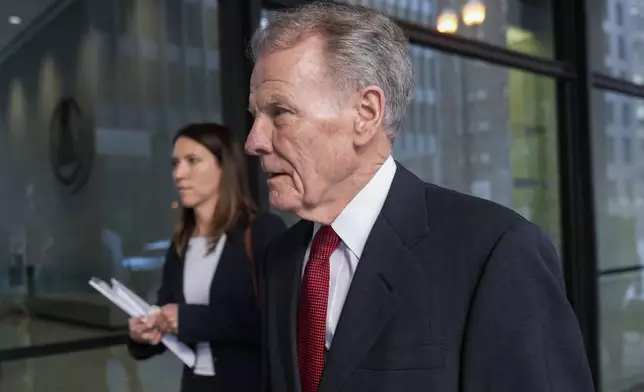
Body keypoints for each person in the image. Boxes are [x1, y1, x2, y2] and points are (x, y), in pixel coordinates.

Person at [245, 3, 595, 392]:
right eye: (255, 116)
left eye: (279, 112)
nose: (254, 141)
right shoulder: (280, 261)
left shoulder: (497, 252)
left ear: (366, 113)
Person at [127, 123, 286, 392]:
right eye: (175, 163)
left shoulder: (262, 231)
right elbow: (167, 311)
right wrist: (145, 332)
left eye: (193, 161)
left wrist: (188, 319)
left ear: (224, 167)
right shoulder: (181, 243)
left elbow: (275, 321)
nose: (179, 174)